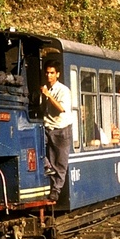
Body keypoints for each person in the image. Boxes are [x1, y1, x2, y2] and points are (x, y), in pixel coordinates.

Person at [40, 60, 72, 205]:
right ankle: (48, 167)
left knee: (60, 162)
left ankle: (56, 190)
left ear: (57, 74)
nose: (49, 75)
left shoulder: (63, 90)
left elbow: (61, 109)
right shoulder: (46, 89)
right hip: (47, 128)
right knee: (37, 148)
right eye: (47, 72)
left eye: (52, 73)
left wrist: (48, 96)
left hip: (61, 129)